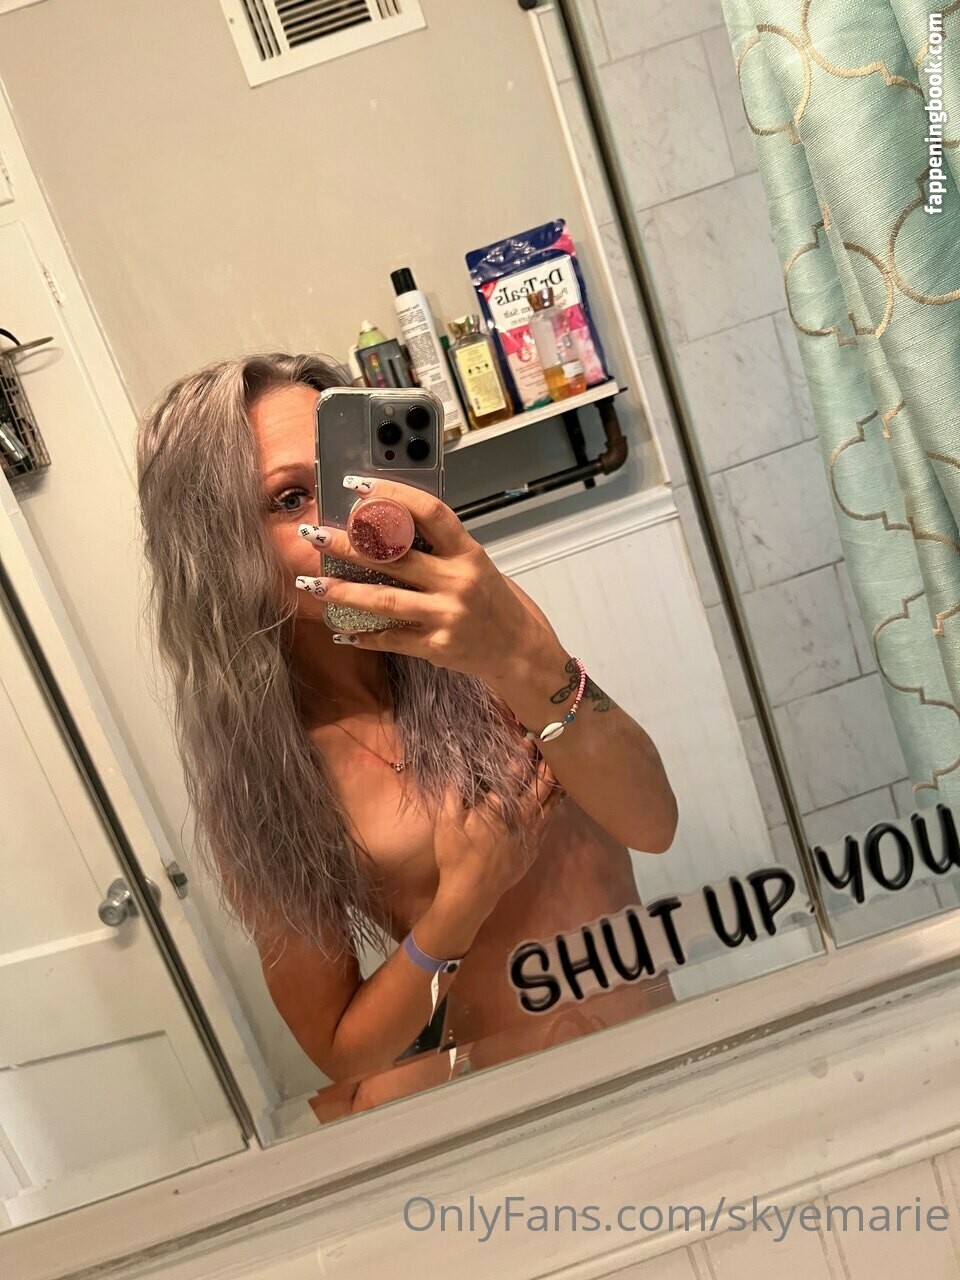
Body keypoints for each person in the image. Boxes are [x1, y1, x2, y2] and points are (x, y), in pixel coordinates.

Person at [136, 352, 679, 1120]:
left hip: (658, 1044)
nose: (347, 516)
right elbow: (343, 1050)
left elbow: (653, 822)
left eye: (347, 477)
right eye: (290, 497)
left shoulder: (479, 625)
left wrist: (523, 657)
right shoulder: (269, 776)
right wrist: (463, 901)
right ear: (218, 552)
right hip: (512, 1106)